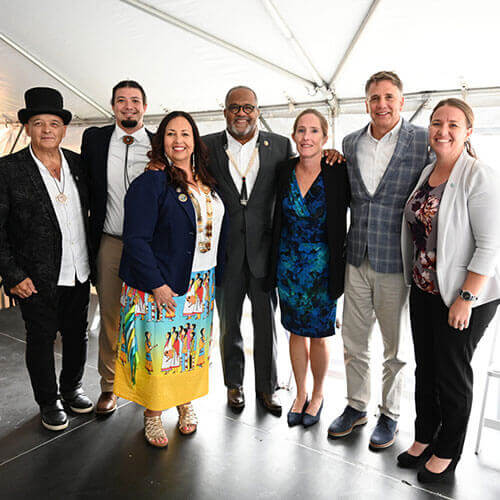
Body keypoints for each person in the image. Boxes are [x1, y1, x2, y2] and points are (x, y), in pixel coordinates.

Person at [328, 71, 432, 449]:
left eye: (389, 97)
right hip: (356, 255)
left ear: (401, 102)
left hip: (397, 259)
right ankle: (356, 406)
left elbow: (445, 175)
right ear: (366, 102)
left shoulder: (423, 139)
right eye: (375, 98)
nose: (382, 104)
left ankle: (389, 414)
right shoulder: (349, 141)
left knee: (395, 347)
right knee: (353, 340)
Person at [399, 98, 500, 483]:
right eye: (437, 122)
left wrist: (466, 298)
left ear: (468, 132)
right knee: (426, 367)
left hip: (465, 294)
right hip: (425, 287)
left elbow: (491, 243)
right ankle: (425, 436)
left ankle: (448, 449)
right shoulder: (428, 171)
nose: (443, 130)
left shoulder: (479, 175)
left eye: (453, 124)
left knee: (451, 371)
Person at [114, 111, 226, 447]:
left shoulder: (207, 178)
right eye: (171, 134)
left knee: (189, 350)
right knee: (157, 353)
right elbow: (135, 239)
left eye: (186, 134)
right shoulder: (151, 181)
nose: (179, 140)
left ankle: (184, 402)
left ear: (195, 140)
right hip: (158, 284)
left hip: (200, 283)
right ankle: (152, 414)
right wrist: (157, 285)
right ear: (161, 140)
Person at [0, 87, 92, 430]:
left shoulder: (78, 164)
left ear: (64, 128)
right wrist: (12, 275)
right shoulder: (8, 170)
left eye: (54, 123)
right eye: (39, 123)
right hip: (35, 277)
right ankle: (48, 400)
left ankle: (71, 388)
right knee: (40, 338)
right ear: (27, 127)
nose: (47, 130)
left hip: (79, 269)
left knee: (77, 334)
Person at [202, 86, 293, 414]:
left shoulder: (280, 146)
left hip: (264, 252)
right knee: (229, 324)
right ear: (224, 110)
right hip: (224, 251)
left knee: (266, 324)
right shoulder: (207, 145)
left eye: (248, 108)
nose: (242, 114)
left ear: (258, 111)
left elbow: (300, 179)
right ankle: (234, 385)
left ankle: (268, 389)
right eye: (235, 107)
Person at [268, 109, 349, 427]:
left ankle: (317, 395)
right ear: (293, 135)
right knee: (294, 331)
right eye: (301, 130)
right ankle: (299, 394)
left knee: (318, 335)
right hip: (288, 265)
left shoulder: (337, 170)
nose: (306, 137)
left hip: (323, 266)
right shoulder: (283, 169)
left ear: (324, 137)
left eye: (314, 131)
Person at [81, 80, 155, 415]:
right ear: (112, 106)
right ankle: (109, 387)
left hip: (149, 248)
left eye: (135, 101)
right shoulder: (94, 140)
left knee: (149, 317)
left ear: (145, 106)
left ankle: (148, 386)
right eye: (122, 100)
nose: (129, 106)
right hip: (109, 242)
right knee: (110, 317)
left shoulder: (158, 144)